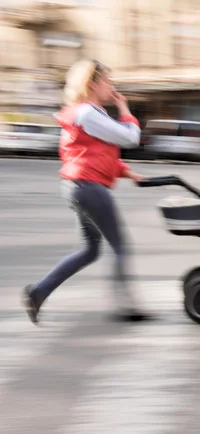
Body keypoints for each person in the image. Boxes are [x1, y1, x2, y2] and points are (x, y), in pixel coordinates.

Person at [22, 59, 153, 324]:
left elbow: (96, 154)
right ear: (92, 83)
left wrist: (129, 174)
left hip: (77, 187)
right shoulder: (88, 114)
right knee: (120, 247)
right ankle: (126, 307)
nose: (111, 86)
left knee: (91, 250)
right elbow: (130, 137)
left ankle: (38, 293)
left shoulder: (82, 113)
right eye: (107, 80)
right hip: (90, 188)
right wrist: (124, 109)